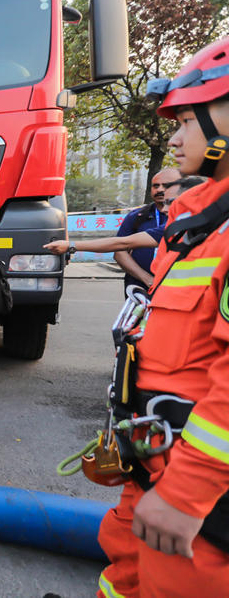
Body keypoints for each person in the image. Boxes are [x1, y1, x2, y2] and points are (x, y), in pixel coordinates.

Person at [90, 39, 229, 597]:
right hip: (151, 464)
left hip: (200, 501)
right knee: (122, 577)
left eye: (187, 120)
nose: (173, 138)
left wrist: (187, 492)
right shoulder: (197, 227)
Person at [44, 177, 206, 269]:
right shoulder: (173, 229)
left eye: (171, 202)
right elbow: (122, 243)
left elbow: (123, 242)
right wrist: (71, 245)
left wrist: (70, 245)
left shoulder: (220, 230)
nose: (164, 209)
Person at [113, 168, 182, 292]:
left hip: (177, 288)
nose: (160, 189)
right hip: (140, 288)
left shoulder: (190, 216)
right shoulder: (137, 216)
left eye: (166, 185)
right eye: (155, 186)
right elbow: (120, 251)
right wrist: (148, 279)